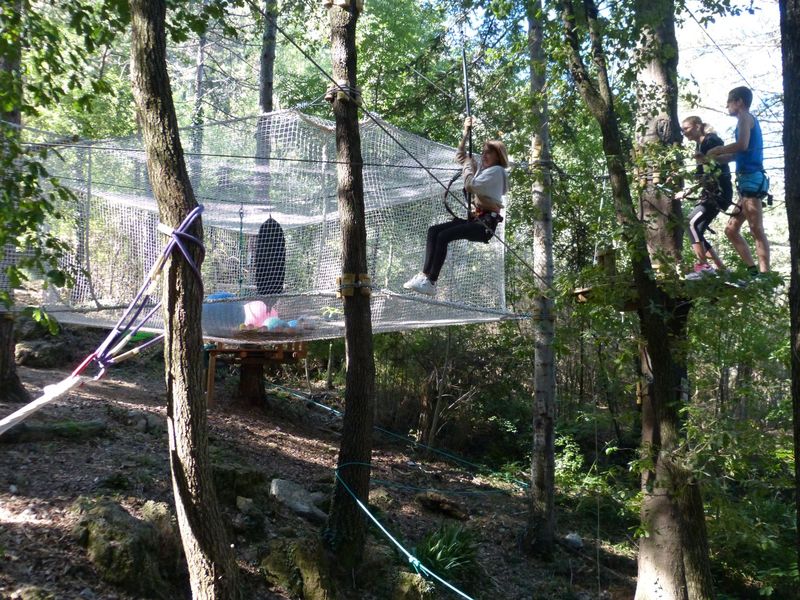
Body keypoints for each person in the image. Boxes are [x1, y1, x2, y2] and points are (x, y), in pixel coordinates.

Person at [403, 117, 509, 296]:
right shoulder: (484, 171)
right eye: (483, 152)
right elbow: (461, 157)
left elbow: (470, 185)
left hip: (484, 225)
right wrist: (465, 133)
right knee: (434, 231)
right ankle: (424, 276)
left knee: (444, 236)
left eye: (489, 153)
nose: (484, 156)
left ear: (498, 157)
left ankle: (431, 281)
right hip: (477, 220)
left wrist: (469, 166)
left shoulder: (497, 171)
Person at [706, 86, 770, 275]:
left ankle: (765, 275)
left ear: (739, 102)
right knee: (731, 230)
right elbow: (736, 155)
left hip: (752, 179)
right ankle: (753, 272)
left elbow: (742, 145)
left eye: (729, 103)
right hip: (745, 182)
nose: (727, 107)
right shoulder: (744, 120)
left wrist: (718, 149)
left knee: (756, 228)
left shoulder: (745, 117)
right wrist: (709, 159)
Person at [679, 116, 733, 280]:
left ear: (697, 126)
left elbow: (715, 168)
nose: (684, 132)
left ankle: (703, 267)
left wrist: (688, 190)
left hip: (719, 192)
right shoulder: (700, 145)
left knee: (690, 222)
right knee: (697, 229)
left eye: (686, 128)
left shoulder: (711, 140)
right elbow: (701, 175)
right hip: (710, 193)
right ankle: (722, 269)